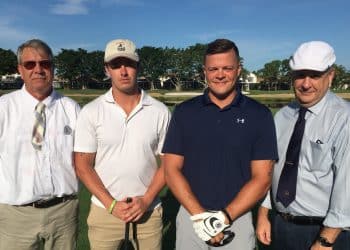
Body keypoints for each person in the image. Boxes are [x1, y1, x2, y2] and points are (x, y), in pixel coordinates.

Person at [162, 38, 278, 249]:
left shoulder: (259, 115)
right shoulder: (185, 112)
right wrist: (199, 217)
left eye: (227, 68)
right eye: (213, 68)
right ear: (204, 71)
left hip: (238, 219)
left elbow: (262, 178)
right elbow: (171, 170)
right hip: (191, 216)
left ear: (239, 69)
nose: (220, 74)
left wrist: (221, 219)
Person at [74, 38, 171, 250]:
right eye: (116, 65)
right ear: (107, 69)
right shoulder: (91, 111)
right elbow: (82, 165)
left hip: (148, 211)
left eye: (129, 64)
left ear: (139, 67)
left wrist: (146, 200)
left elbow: (168, 164)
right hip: (104, 211)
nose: (123, 71)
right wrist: (111, 204)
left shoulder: (159, 111)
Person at [256, 41, 350, 249]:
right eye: (300, 75)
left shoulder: (344, 119)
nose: (306, 84)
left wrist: (325, 240)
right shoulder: (283, 116)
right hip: (281, 226)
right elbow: (271, 169)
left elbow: (347, 187)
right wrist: (264, 214)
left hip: (326, 231)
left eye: (315, 75)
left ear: (331, 76)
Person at [0, 39, 80, 249]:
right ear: (20, 69)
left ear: (52, 68)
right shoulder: (3, 108)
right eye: (30, 64)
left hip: (64, 212)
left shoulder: (72, 109)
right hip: (16, 214)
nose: (38, 69)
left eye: (44, 64)